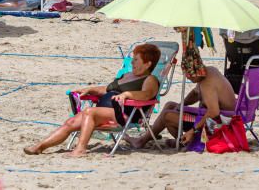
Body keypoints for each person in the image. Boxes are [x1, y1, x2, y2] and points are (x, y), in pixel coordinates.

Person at [23, 43, 161, 157]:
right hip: (104, 111)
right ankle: (40, 147)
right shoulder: (127, 75)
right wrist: (91, 89)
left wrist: (127, 95)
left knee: (90, 112)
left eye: (136, 60)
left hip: (124, 114)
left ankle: (80, 149)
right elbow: (107, 89)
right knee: (71, 122)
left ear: (148, 64)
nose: (132, 62)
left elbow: (147, 94)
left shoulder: (150, 79)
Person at [127, 57, 235, 150]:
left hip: (221, 123)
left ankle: (146, 140)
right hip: (220, 116)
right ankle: (150, 137)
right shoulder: (209, 72)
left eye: (189, 75)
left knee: (167, 116)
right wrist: (182, 105)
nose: (187, 77)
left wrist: (192, 131)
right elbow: (195, 93)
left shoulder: (207, 84)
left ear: (195, 72)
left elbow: (213, 112)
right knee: (170, 105)